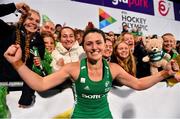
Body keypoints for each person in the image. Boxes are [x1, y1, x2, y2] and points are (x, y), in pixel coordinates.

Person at [4, 28, 180, 118]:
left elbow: (139, 84)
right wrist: (17, 63)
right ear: (84, 46)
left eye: (98, 43)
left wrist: (165, 73)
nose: (94, 47)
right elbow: (40, 84)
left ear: (104, 46)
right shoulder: (73, 68)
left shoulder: (113, 68)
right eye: (89, 43)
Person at [0, 2, 45, 108]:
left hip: (21, 94)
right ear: (23, 19)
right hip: (3, 89)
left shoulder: (39, 41)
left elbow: (35, 70)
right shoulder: (8, 31)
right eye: (30, 19)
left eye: (37, 21)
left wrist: (27, 97)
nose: (34, 22)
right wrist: (14, 6)